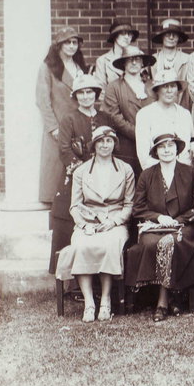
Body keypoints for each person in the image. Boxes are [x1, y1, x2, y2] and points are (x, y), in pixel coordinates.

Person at [55, 126, 136, 323]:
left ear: (114, 144)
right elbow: (75, 206)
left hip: (114, 223)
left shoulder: (125, 169)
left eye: (109, 141)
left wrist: (114, 222)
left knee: (109, 245)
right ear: (94, 145)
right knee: (81, 245)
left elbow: (129, 204)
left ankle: (106, 299)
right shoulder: (81, 171)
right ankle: (89, 303)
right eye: (100, 141)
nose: (105, 145)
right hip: (88, 222)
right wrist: (84, 225)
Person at [124, 133, 194, 322]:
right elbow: (138, 207)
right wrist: (158, 217)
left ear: (177, 149)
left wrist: (179, 220)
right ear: (156, 151)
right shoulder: (147, 174)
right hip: (155, 226)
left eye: (170, 145)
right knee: (151, 244)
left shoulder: (191, 172)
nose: (167, 150)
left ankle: (163, 301)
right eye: (162, 147)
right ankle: (173, 296)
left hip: (184, 225)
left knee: (171, 242)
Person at [48, 74, 115, 276]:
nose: (86, 97)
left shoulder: (105, 118)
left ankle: (97, 274)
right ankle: (68, 277)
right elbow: (64, 150)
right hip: (76, 176)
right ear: (76, 96)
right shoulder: (69, 119)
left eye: (90, 92)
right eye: (81, 93)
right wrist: (84, 172)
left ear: (96, 95)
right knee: (69, 222)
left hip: (103, 176)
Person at [37, 26, 88, 203]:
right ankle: (54, 205)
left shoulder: (79, 66)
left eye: (75, 42)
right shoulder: (48, 68)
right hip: (59, 126)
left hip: (78, 122)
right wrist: (53, 128)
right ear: (58, 45)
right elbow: (42, 101)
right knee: (57, 169)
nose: (72, 46)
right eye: (67, 42)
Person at [101, 45, 155, 175]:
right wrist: (139, 135)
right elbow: (114, 117)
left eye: (137, 59)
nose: (134, 62)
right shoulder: (113, 87)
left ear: (142, 63)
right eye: (130, 59)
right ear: (123, 63)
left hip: (152, 145)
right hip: (126, 147)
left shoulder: (152, 86)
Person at [135, 70, 194, 171]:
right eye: (165, 86)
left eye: (173, 86)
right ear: (157, 90)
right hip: (157, 174)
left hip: (184, 173)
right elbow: (144, 156)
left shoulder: (185, 114)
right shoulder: (145, 115)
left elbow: (189, 148)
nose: (169, 91)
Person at [150, 17, 191, 110]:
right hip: (158, 109)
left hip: (182, 107)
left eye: (175, 35)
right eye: (168, 34)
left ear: (179, 38)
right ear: (162, 36)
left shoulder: (188, 59)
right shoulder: (153, 60)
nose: (171, 37)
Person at [94, 20, 140, 94]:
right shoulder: (103, 61)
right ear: (115, 36)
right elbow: (101, 91)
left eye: (129, 34)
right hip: (112, 103)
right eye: (123, 34)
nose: (127, 37)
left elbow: (144, 83)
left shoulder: (139, 56)